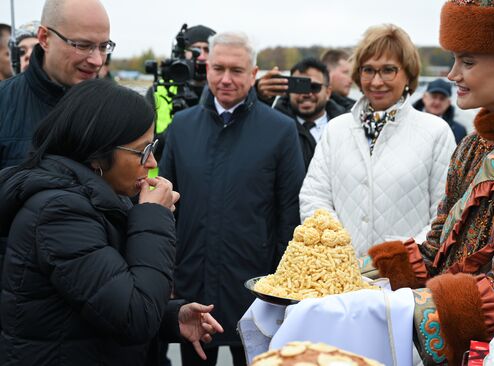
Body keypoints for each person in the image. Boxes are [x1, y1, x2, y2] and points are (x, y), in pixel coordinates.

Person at [367, 1, 494, 365]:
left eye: (467, 62)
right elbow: (437, 248)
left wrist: (393, 309)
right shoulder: (471, 146)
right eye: (454, 60)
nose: (452, 75)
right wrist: (367, 282)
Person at [0, 79, 223, 365]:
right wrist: (155, 216)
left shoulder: (95, 198)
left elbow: (99, 301)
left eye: (152, 147)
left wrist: (168, 317)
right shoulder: (60, 212)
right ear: (97, 155)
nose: (152, 161)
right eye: (142, 151)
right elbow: (134, 316)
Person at [159, 32, 305, 366]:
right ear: (206, 68)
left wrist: (284, 289)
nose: (225, 79)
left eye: (236, 70)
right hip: (189, 283)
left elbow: (289, 216)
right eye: (218, 68)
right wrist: (163, 278)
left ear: (253, 74)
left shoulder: (281, 130)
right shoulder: (181, 127)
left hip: (253, 285)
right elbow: (164, 210)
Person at [300, 24, 456, 257]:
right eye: (368, 70)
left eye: (388, 70)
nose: (376, 81)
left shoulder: (435, 132)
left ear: (408, 74)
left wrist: (404, 257)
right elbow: (314, 197)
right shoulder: (336, 130)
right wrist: (337, 248)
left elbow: (447, 214)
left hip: (405, 283)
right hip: (342, 276)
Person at [0, 0, 113, 169]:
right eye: (82, 45)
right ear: (44, 38)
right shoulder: (4, 104)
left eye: (104, 47)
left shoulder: (114, 109)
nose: (97, 61)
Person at [145, 24, 216, 176]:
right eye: (195, 50)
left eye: (207, 50)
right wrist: (179, 127)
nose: (201, 56)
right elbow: (143, 149)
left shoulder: (224, 92)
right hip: (163, 185)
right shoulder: (159, 91)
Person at [271, 57, 346, 169]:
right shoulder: (274, 128)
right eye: (299, 87)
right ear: (288, 91)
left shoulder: (348, 127)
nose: (306, 94)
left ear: (328, 92)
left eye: (314, 87)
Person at [413, 78, 467, 144]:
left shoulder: (459, 131)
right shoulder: (408, 121)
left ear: (449, 102)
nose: (437, 102)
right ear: (424, 97)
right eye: (434, 97)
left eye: (442, 98)